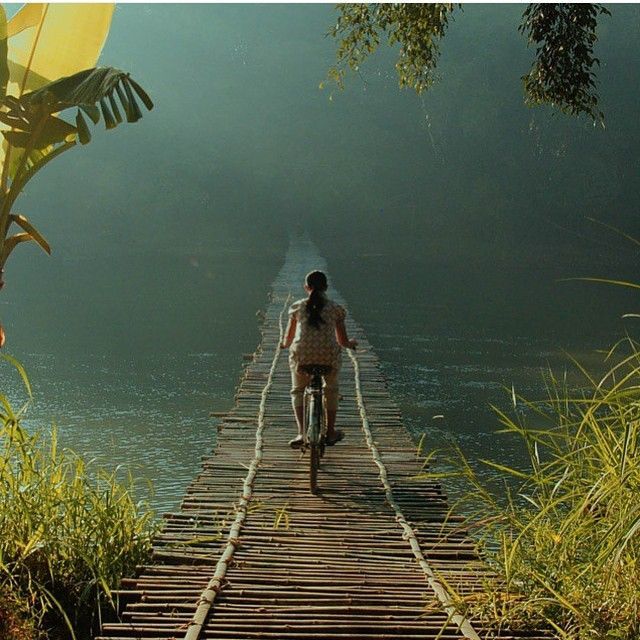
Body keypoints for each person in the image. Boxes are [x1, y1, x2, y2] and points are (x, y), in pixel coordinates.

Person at [280, 270, 357, 449]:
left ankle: (301, 432)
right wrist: (351, 342)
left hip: (302, 358)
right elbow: (342, 341)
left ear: (306, 287)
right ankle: (330, 432)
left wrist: (283, 345)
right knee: (331, 389)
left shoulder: (297, 307)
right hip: (328, 358)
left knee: (298, 390)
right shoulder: (335, 309)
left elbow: (289, 339)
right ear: (326, 288)